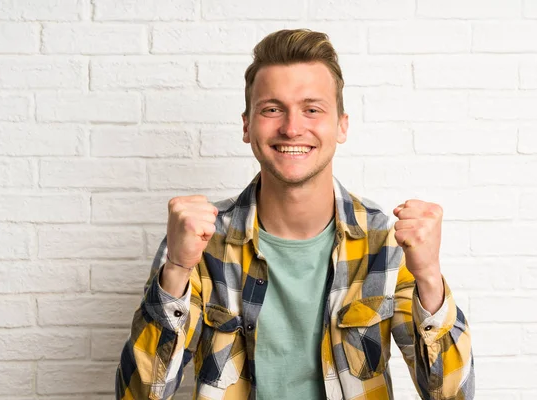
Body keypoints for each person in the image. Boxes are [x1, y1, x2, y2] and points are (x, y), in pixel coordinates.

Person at [115, 29, 474, 400]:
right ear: (246, 125)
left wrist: (430, 277)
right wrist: (176, 268)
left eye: (312, 109)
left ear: (341, 126)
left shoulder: (384, 238)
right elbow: (142, 394)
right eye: (272, 109)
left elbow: (450, 395)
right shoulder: (200, 240)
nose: (291, 127)